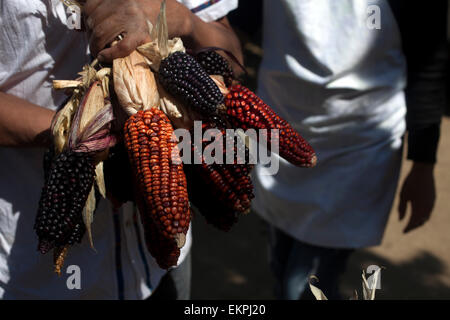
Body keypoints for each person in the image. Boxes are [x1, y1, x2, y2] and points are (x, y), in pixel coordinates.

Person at [0, 0, 241, 299]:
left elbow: (229, 51)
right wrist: (82, 132)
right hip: (39, 278)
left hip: (162, 259)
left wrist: (184, 21)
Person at [251, 0, 448, 299]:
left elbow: (427, 62)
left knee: (302, 288)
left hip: (356, 152)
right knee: (281, 261)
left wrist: (423, 164)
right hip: (278, 138)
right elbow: (238, 18)